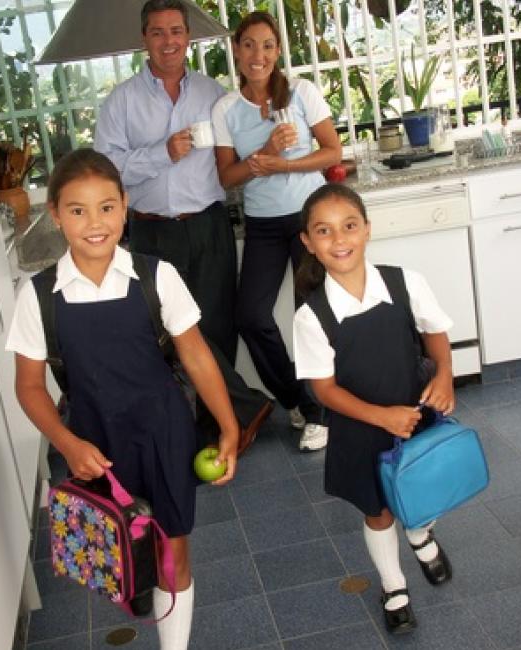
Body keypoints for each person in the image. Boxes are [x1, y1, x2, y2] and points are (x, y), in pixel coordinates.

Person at [6, 149, 239, 650]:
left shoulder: (157, 277)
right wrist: (67, 444)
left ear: (125, 205)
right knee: (121, 546)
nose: (95, 223)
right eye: (77, 210)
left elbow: (197, 356)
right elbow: (29, 387)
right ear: (55, 214)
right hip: (95, 444)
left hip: (164, 431)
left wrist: (229, 426)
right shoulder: (40, 295)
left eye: (107, 207)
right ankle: (142, 589)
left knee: (172, 547)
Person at [94, 0, 272, 454]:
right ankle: (244, 410)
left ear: (187, 38)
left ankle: (220, 428)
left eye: (176, 31)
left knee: (216, 326)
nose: (168, 41)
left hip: (209, 223)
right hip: (151, 232)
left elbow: (236, 152)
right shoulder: (121, 102)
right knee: (173, 335)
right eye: (158, 32)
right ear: (144, 39)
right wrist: (161, 152)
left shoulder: (213, 93)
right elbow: (107, 172)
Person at [292, 183, 455, 633]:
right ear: (308, 241)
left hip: (414, 415)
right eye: (323, 231)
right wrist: (381, 416)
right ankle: (393, 583)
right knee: (378, 511)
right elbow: (323, 390)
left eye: (349, 227)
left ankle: (421, 536)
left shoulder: (404, 282)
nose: (339, 240)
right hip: (362, 428)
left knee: (422, 490)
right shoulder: (311, 315)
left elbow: (436, 330)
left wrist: (444, 374)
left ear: (366, 229)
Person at [212, 11, 341, 452]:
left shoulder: (302, 92)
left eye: (267, 45)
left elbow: (331, 152)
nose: (258, 55)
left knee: (313, 317)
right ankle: (298, 400)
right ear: (236, 49)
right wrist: (262, 155)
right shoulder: (226, 109)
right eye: (248, 44)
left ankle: (321, 413)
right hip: (264, 226)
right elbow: (226, 178)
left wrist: (283, 164)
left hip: (308, 220)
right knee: (250, 317)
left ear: (278, 50)